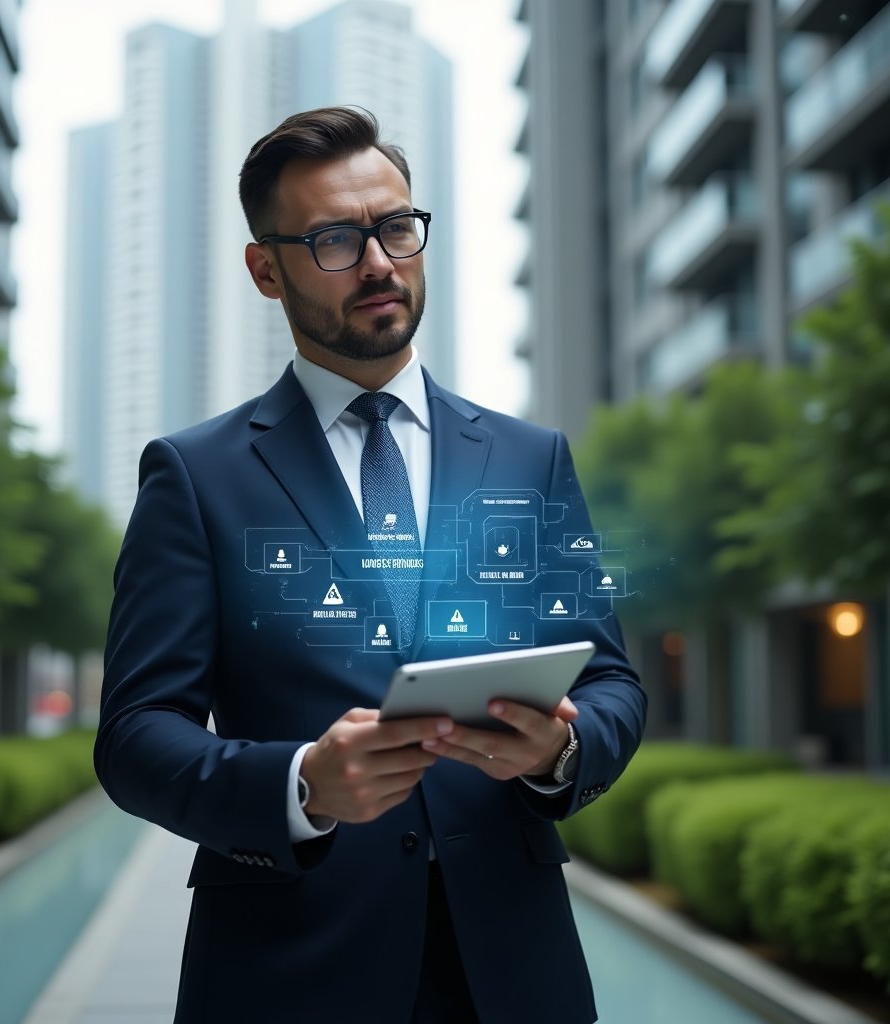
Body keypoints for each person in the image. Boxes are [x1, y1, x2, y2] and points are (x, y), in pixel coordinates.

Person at [95, 106, 646, 1024]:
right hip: (288, 970)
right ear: (266, 270)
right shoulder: (196, 476)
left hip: (514, 969)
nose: (381, 262)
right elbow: (136, 737)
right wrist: (302, 782)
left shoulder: (530, 458)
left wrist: (563, 748)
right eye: (334, 240)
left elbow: (614, 681)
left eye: (395, 226)